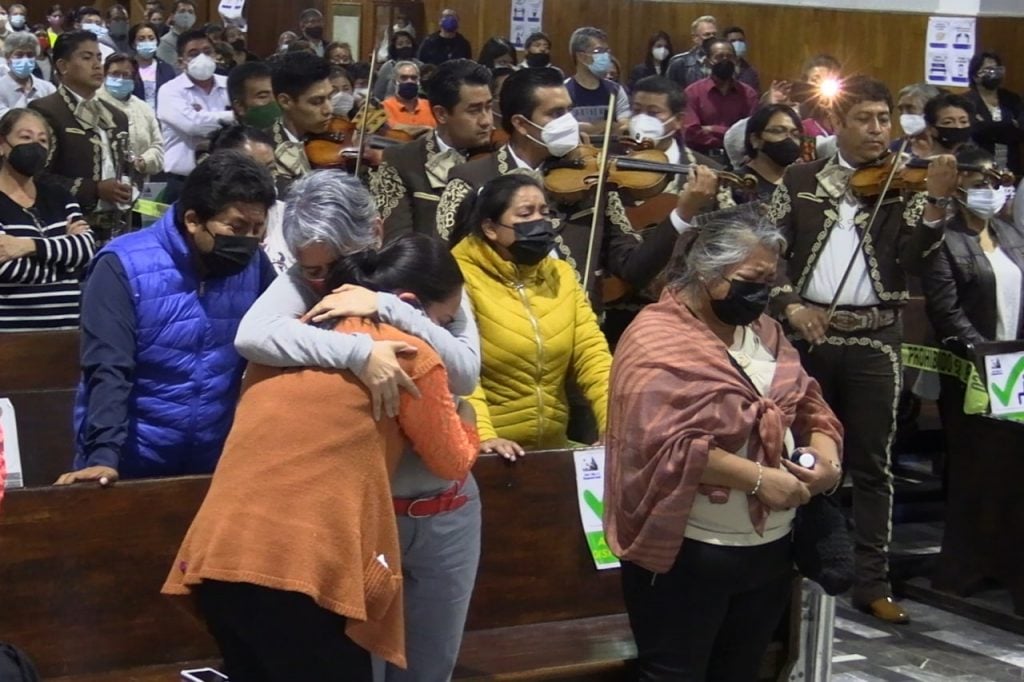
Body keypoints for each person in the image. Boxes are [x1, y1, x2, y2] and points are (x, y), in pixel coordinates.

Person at [162, 232, 480, 682]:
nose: (444, 335)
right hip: (303, 572)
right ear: (410, 304)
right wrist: (466, 414)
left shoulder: (287, 340)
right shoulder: (407, 352)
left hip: (218, 562)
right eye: (445, 321)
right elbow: (452, 460)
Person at [236, 171, 485, 682]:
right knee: (361, 668)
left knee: (430, 669)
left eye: (331, 266)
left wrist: (388, 306)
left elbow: (465, 369)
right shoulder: (306, 281)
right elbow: (252, 336)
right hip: (366, 515)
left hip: (448, 511)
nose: (320, 281)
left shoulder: (424, 268)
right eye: (311, 270)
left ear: (373, 231)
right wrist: (358, 350)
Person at [605, 210, 843, 682]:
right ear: (709, 273)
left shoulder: (766, 332)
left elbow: (811, 403)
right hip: (688, 552)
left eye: (770, 281)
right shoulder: (656, 338)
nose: (762, 293)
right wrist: (756, 478)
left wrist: (827, 459)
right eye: (750, 280)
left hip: (770, 549)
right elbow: (657, 441)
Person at [767, 75, 954, 624]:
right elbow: (768, 247)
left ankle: (871, 581)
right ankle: (793, 572)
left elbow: (918, 259)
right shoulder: (800, 179)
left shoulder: (908, 185)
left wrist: (938, 204)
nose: (879, 131)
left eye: (884, 120)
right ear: (839, 125)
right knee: (800, 455)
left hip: (876, 337)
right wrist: (790, 304)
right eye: (866, 120)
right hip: (809, 335)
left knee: (874, 464)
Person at [58, 151, 277, 485]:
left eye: (257, 229)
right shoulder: (123, 266)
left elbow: (284, 331)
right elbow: (108, 367)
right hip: (129, 461)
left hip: (215, 463)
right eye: (236, 227)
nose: (247, 240)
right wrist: (103, 455)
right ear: (193, 220)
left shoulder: (254, 266)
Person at [438, 67, 713, 308]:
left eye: (569, 110)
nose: (569, 122)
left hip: (584, 336)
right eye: (556, 113)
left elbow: (633, 268)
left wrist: (682, 214)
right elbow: (446, 271)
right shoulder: (469, 180)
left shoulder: (593, 180)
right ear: (521, 124)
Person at [451, 174, 612, 457]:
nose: (539, 222)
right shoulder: (459, 277)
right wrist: (484, 437)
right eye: (526, 214)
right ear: (490, 228)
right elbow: (461, 371)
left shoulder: (561, 274)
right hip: (487, 451)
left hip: (551, 449)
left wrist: (614, 425)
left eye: (544, 213)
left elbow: (593, 356)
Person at [371, 58, 492, 242]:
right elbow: (397, 244)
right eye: (474, 110)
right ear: (441, 114)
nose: (486, 121)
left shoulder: (500, 157)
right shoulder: (401, 160)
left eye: (489, 107)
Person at [0, 108, 95, 332]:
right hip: (9, 338)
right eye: (25, 137)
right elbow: (8, 269)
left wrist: (27, 246)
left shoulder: (59, 195)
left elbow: (86, 249)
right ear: (3, 144)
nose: (35, 145)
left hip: (65, 335)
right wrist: (67, 270)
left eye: (43, 141)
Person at [29, 31, 131, 240]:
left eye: (99, 58)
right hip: (65, 228)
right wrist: (95, 189)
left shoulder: (117, 116)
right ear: (63, 66)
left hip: (116, 228)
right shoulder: (46, 110)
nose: (96, 65)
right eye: (86, 58)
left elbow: (125, 166)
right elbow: (37, 177)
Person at [922, 144, 1023, 345]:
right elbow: (946, 311)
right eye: (978, 186)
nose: (990, 192)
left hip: (1015, 357)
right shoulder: (943, 240)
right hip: (971, 358)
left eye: (994, 185)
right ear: (957, 192)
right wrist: (985, 352)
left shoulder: (1012, 234)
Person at [157, 28, 234, 202]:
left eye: (207, 52)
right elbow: (193, 125)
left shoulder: (230, 84)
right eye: (194, 53)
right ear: (180, 61)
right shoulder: (170, 90)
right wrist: (234, 116)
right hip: (183, 181)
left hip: (226, 180)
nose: (202, 58)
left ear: (215, 55)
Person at [207, 123, 285, 273]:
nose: (264, 178)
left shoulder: (291, 217)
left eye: (269, 169)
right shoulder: (207, 222)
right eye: (251, 170)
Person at [682, 37, 758, 158]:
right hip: (702, 157)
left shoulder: (748, 94)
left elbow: (749, 133)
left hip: (738, 159)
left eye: (729, 57)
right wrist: (730, 137)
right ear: (707, 61)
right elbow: (691, 132)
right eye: (719, 57)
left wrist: (712, 129)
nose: (725, 60)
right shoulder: (693, 92)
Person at [268, 50, 331, 194]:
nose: (329, 109)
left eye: (330, 97)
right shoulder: (267, 152)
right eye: (317, 101)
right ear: (285, 101)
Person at [98, 53, 164, 184]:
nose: (120, 79)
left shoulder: (144, 108)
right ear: (105, 75)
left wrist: (142, 162)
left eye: (126, 75)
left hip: (138, 184)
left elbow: (158, 147)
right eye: (115, 74)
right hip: (102, 184)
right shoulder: (92, 103)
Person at [965, 51, 1024, 176]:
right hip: (979, 166)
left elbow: (1020, 131)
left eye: (997, 69)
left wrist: (987, 126)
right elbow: (973, 132)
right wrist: (1008, 126)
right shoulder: (966, 101)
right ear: (976, 76)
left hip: (1011, 165)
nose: (994, 74)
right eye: (989, 70)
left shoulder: (1012, 99)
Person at [564, 27, 630, 135]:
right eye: (598, 51)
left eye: (606, 51)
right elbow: (564, 129)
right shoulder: (564, 90)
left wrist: (587, 128)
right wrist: (603, 126)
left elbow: (624, 126)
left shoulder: (615, 90)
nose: (605, 56)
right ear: (581, 57)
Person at [733, 104, 805, 202]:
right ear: (755, 139)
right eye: (778, 131)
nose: (789, 139)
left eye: (795, 134)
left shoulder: (804, 182)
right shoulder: (736, 184)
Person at [0, 32, 56, 116]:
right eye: (19, 55)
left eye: (30, 55)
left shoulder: (48, 88)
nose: (25, 60)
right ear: (8, 57)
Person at [381, 60, 435, 138]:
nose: (409, 81)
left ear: (419, 81)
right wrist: (425, 129)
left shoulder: (430, 106)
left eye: (414, 78)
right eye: (404, 78)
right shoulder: (383, 107)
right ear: (394, 81)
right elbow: (392, 129)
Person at [130, 22, 175, 108]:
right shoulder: (127, 68)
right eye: (141, 39)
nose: (147, 42)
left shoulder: (166, 69)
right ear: (133, 44)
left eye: (151, 38)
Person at [667, 14, 717, 89]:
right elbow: (670, 92)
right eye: (707, 34)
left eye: (714, 34)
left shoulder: (722, 60)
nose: (712, 38)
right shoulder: (679, 62)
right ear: (695, 38)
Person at [799, 54, 842, 139]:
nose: (820, 84)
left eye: (828, 79)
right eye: (815, 80)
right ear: (805, 82)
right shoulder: (798, 113)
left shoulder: (844, 113)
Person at [895, 82, 942, 158]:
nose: (904, 114)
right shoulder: (896, 147)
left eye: (910, 108)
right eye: (900, 109)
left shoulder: (946, 146)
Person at [227, 60, 278, 129]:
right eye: (263, 97)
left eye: (277, 93)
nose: (275, 101)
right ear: (239, 106)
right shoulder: (231, 139)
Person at [923, 92, 975, 157]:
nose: (958, 127)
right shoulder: (918, 165)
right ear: (930, 128)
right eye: (948, 122)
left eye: (963, 121)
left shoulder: (981, 162)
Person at [373, 30, 418, 102]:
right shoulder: (388, 67)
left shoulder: (420, 66)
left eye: (408, 43)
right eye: (400, 44)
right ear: (394, 47)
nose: (405, 46)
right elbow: (378, 94)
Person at [155, 0, 197, 71]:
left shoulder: (198, 39)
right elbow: (172, 70)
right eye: (182, 11)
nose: (186, 15)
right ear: (172, 16)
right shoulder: (165, 42)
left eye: (190, 12)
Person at [723, 25, 760, 93]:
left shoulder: (751, 72)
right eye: (733, 41)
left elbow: (756, 97)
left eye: (741, 40)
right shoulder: (718, 69)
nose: (738, 44)